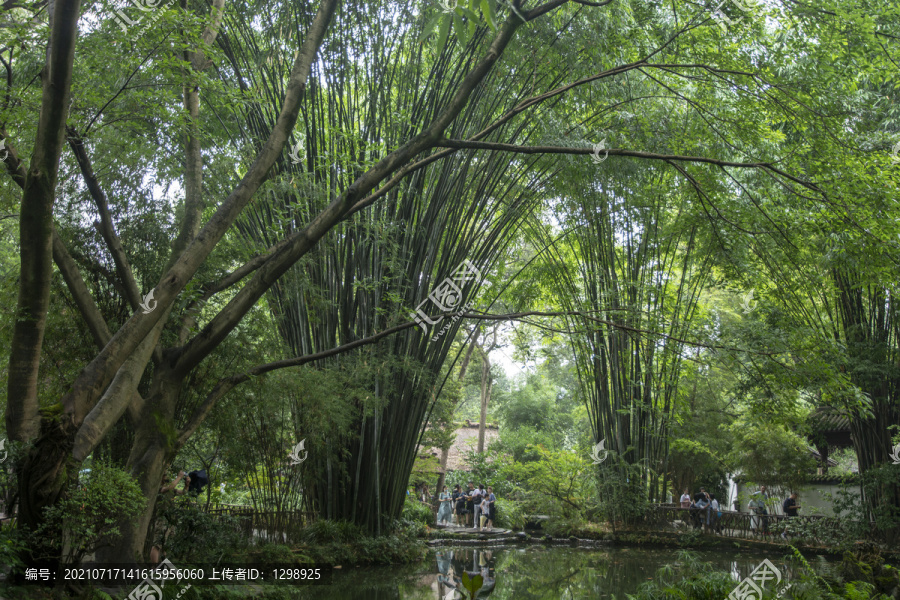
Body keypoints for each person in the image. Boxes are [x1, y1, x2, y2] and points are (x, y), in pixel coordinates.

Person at [150, 470, 190, 563]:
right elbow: (168, 488)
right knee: (157, 544)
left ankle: (161, 565)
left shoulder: (170, 489)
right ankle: (153, 567)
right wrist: (179, 477)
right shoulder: (158, 487)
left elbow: (183, 492)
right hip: (162, 518)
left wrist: (187, 485)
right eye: (165, 475)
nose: (167, 477)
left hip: (170, 519)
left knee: (165, 544)